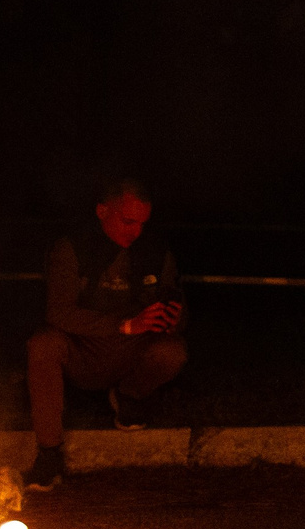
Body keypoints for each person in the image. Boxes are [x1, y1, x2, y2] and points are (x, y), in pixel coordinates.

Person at [26, 179, 186, 482]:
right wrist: (122, 325)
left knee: (172, 351)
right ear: (102, 211)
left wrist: (172, 317)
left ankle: (128, 396)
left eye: (142, 223)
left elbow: (178, 305)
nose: (135, 231)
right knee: (43, 345)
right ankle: (48, 453)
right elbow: (57, 312)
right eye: (127, 221)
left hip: (129, 352)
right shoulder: (72, 248)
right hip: (82, 350)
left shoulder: (155, 251)